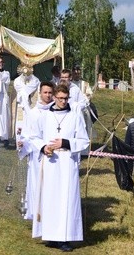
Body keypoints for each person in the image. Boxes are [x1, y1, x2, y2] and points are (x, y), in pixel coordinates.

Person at [29, 84, 90, 252]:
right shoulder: (45, 116)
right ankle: (51, 235)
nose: (63, 101)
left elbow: (84, 141)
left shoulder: (75, 116)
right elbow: (34, 136)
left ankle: (65, 238)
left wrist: (65, 142)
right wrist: (43, 147)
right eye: (60, 98)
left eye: (66, 98)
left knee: (67, 198)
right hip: (50, 161)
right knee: (50, 198)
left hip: (67, 161)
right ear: (54, 97)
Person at [17, 81, 54, 220]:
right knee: (37, 185)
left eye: (50, 92)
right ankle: (36, 213)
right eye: (45, 92)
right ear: (40, 93)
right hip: (38, 155)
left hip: (54, 154)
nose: (48, 95)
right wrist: (22, 144)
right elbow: (27, 135)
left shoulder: (56, 112)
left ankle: (50, 214)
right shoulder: (33, 113)